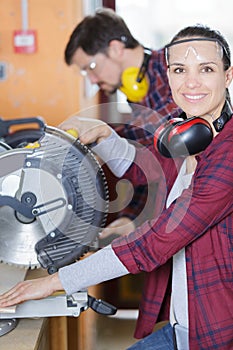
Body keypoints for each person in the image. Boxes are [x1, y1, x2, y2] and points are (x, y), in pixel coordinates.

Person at [1, 24, 233, 349]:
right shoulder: (189, 138)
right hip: (185, 328)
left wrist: (54, 283)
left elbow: (157, 241)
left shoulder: (228, 154)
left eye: (205, 69)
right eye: (179, 69)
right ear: (168, 76)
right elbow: (147, 172)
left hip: (216, 334)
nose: (190, 82)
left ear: (227, 76)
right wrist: (104, 136)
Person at [64, 7, 181, 239]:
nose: (94, 80)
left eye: (92, 68)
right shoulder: (137, 95)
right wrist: (132, 216)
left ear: (116, 48)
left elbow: (165, 162)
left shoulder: (174, 75)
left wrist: (109, 138)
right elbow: (152, 174)